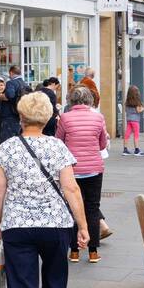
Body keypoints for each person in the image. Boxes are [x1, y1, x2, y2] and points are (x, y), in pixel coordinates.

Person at [0, 91, 87, 288]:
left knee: (22, 282)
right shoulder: (57, 147)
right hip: (55, 224)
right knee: (55, 276)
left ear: (21, 117)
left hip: (17, 225)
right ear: (48, 118)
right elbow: (71, 188)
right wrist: (82, 225)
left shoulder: (7, 148)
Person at [56, 86, 108, 264]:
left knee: (72, 208)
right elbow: (102, 144)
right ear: (89, 100)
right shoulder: (98, 117)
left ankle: (74, 251)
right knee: (92, 208)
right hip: (94, 168)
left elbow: (59, 141)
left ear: (71, 100)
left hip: (72, 170)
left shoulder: (65, 117)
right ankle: (93, 251)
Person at [0, 65, 28, 142]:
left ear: (11, 73)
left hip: (9, 115)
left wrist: (2, 96)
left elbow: (10, 95)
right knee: (18, 139)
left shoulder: (11, 83)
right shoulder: (24, 83)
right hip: (20, 114)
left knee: (7, 141)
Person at [122, 85, 144, 156]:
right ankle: (137, 150)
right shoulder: (137, 102)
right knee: (136, 135)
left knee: (127, 134)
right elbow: (138, 110)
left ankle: (125, 149)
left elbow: (126, 110)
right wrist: (143, 108)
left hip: (129, 119)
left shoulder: (127, 102)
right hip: (135, 121)